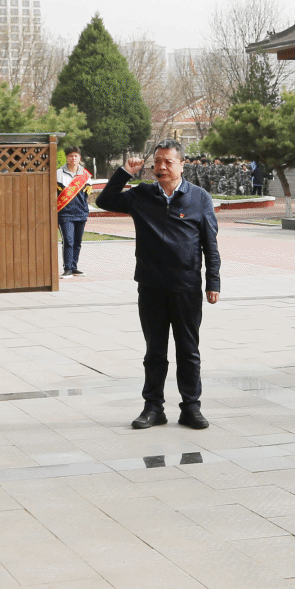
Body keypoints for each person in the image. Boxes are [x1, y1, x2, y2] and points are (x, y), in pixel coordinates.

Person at [100, 142, 221, 430]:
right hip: (151, 286)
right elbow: (104, 201)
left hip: (186, 287)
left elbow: (210, 244)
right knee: (155, 351)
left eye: (168, 162)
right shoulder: (142, 194)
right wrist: (123, 174)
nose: (162, 167)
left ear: (181, 165)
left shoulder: (199, 198)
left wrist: (212, 282)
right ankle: (153, 408)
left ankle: (191, 408)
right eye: (157, 162)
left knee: (188, 351)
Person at [55, 147, 93, 277]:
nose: (73, 158)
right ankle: (68, 268)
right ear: (67, 157)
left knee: (77, 242)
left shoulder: (86, 175)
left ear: (80, 158)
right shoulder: (58, 174)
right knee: (68, 241)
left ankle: (74, 266)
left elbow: (86, 195)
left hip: (81, 213)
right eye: (71, 156)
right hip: (65, 214)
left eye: (76, 156)